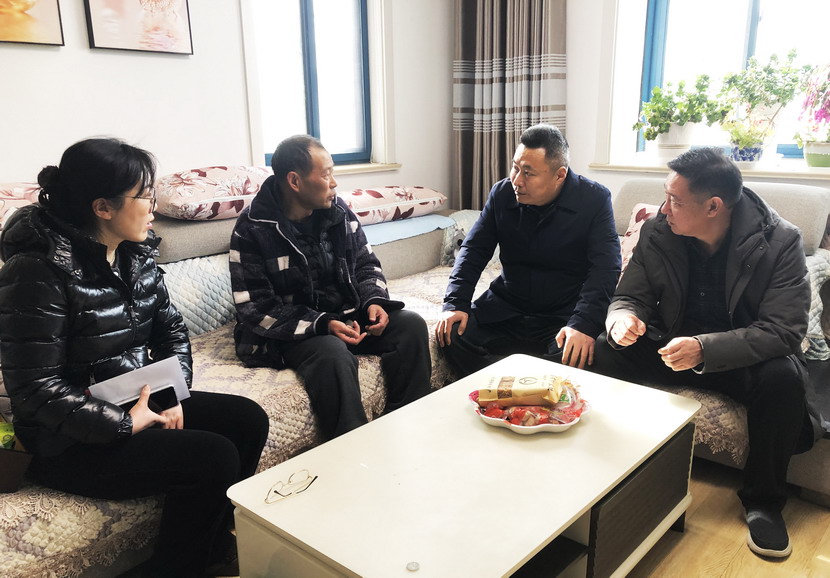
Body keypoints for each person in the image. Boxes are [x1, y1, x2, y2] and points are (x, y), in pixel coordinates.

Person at [0, 138, 269, 578]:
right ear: (102, 207)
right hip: (65, 440)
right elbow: (34, 390)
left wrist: (169, 394)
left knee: (247, 419)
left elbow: (172, 332)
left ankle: (211, 551)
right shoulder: (36, 272)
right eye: (145, 196)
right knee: (213, 456)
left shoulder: (135, 255)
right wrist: (124, 423)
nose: (153, 208)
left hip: (129, 399)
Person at [592, 147, 817, 559]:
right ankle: (604, 461)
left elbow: (784, 331)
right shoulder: (659, 229)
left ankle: (764, 503)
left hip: (738, 355)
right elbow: (629, 296)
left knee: (783, 378)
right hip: (672, 344)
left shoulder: (780, 241)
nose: (664, 208)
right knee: (606, 348)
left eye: (675, 201)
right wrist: (623, 319)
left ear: (713, 206)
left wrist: (704, 349)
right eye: (665, 196)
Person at [229, 135, 431, 440]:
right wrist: (323, 324)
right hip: (290, 331)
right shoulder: (252, 228)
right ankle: (353, 446)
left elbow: (366, 264)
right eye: (326, 175)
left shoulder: (338, 211)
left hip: (345, 315)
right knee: (333, 354)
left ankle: (409, 426)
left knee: (410, 325)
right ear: (295, 181)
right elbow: (255, 308)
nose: (334, 183)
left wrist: (373, 302)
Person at [435, 123, 621, 375]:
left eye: (528, 173)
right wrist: (455, 303)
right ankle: (504, 386)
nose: (517, 181)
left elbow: (606, 268)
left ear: (560, 175)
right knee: (451, 334)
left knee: (580, 354)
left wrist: (584, 324)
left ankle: (514, 383)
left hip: (562, 314)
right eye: (515, 168)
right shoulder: (502, 193)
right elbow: (474, 250)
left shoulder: (594, 199)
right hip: (506, 307)